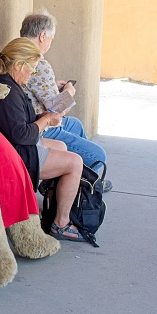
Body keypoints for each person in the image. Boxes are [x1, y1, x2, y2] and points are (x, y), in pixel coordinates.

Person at [0, 37, 86, 242]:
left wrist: (45, 118)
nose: (33, 73)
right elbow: (20, 135)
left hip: (10, 146)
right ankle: (61, 223)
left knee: (62, 146)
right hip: (12, 154)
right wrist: (47, 119)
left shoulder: (8, 82)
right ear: (19, 65)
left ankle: (51, 209)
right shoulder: (7, 90)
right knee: (75, 162)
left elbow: (20, 125)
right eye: (33, 67)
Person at [19, 10, 112, 192]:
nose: (50, 44)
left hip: (27, 119)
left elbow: (31, 88)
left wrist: (51, 85)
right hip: (39, 126)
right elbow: (57, 111)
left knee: (75, 125)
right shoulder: (39, 63)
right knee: (98, 156)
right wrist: (69, 91)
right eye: (51, 39)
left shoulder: (15, 54)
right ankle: (77, 182)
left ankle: (76, 178)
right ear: (43, 36)